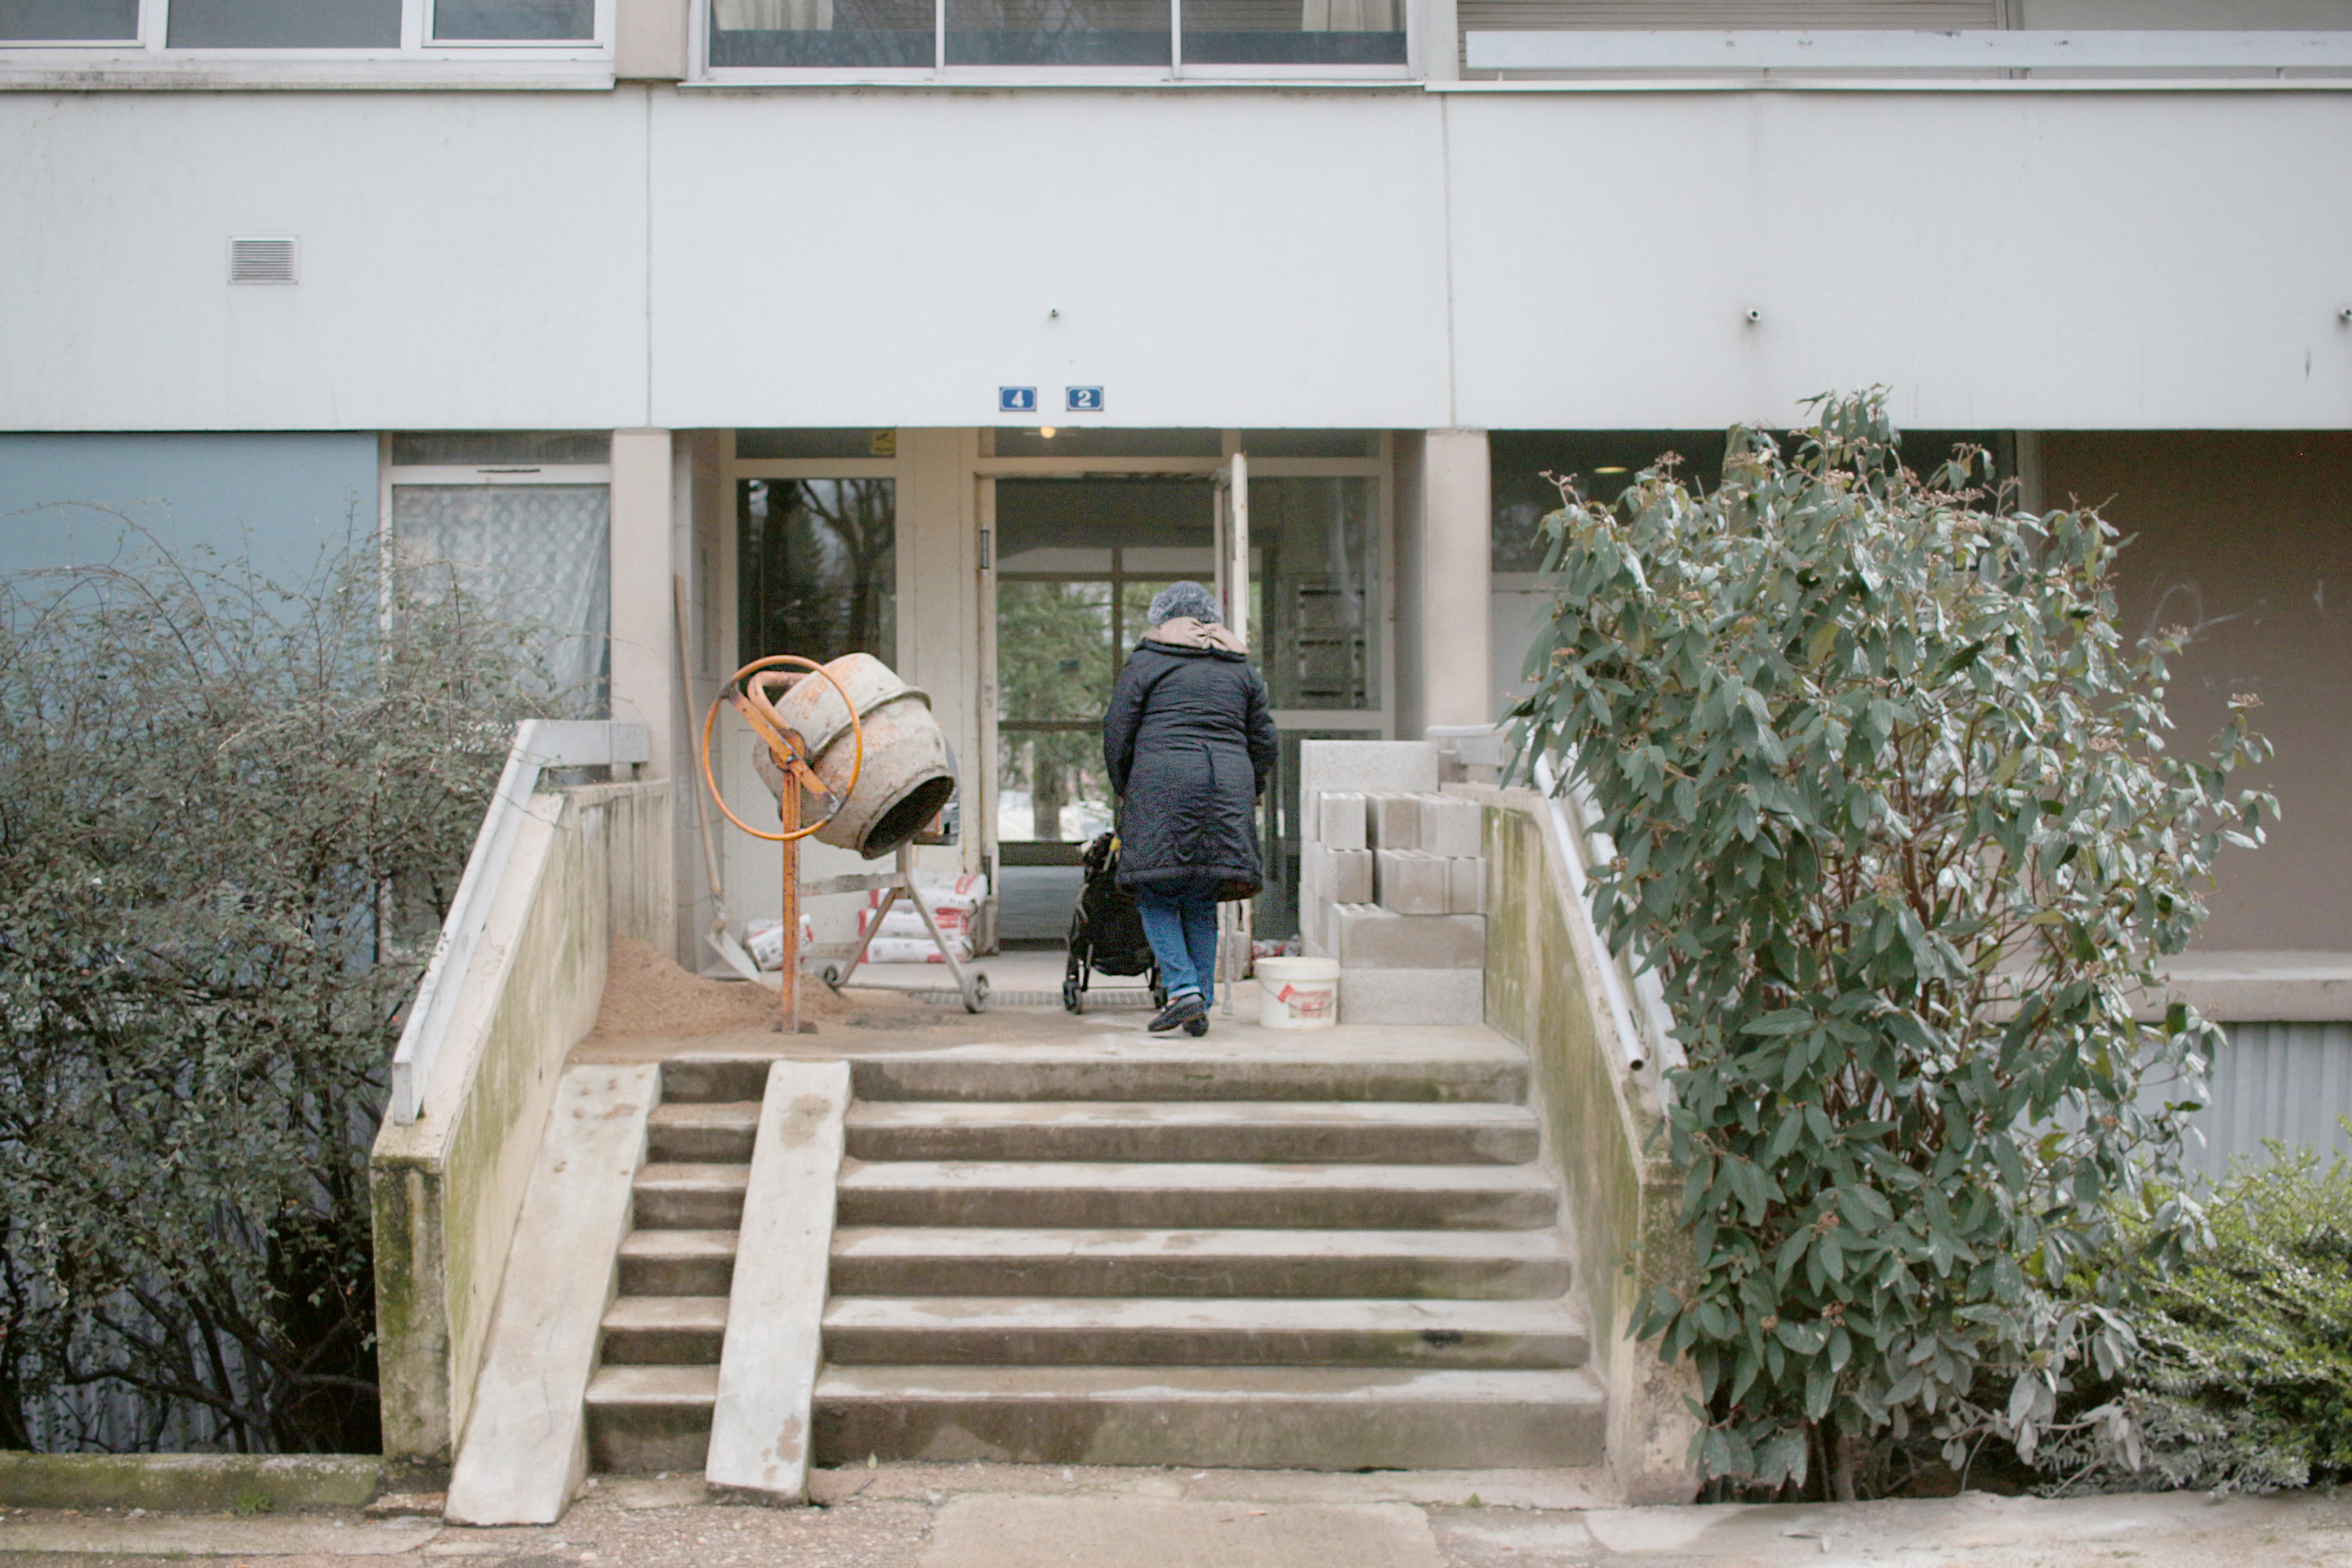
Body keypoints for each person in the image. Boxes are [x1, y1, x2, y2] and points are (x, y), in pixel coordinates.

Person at [1102, 581, 1279, 1036]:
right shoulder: (1240, 670)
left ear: (1164, 621)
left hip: (1163, 785)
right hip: (1227, 787)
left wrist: (1126, 787)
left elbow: (1118, 730)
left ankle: (1184, 993)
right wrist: (1250, 787)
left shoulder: (1146, 662)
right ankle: (1198, 995)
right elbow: (1265, 740)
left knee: (1155, 888)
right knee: (1201, 893)